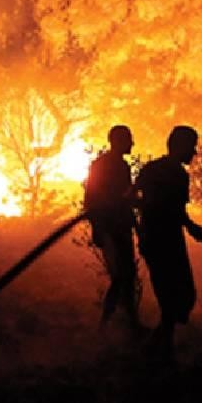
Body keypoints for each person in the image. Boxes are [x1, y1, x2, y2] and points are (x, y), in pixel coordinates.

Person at [135, 125, 202, 360]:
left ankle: (160, 347)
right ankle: (158, 350)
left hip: (152, 239)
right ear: (180, 146)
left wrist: (141, 228)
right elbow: (175, 210)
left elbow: (132, 196)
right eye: (191, 147)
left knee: (171, 296)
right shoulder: (177, 175)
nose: (193, 153)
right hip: (166, 241)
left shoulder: (151, 169)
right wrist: (191, 227)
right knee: (179, 295)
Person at [84, 125, 143, 331]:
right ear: (117, 141)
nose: (132, 144)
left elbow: (125, 200)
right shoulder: (102, 166)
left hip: (121, 227)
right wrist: (99, 229)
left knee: (127, 277)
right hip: (110, 229)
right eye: (128, 140)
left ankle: (130, 323)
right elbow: (91, 200)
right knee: (121, 276)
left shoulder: (121, 166)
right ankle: (106, 324)